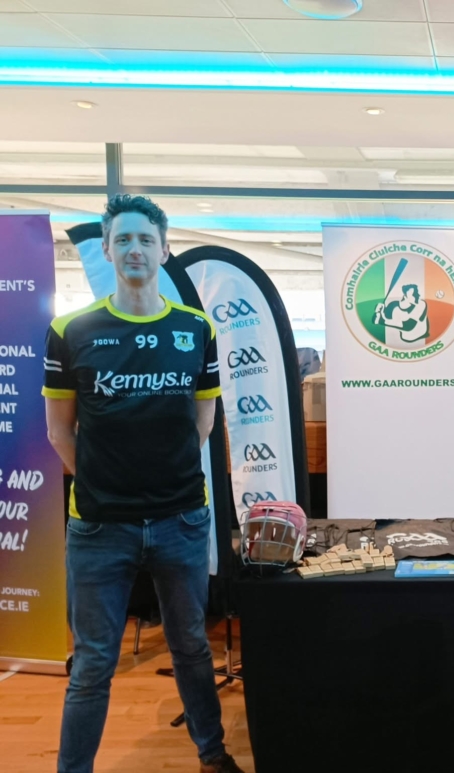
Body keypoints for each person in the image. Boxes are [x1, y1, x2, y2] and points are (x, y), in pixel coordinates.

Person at [43, 195, 246, 773]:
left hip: (182, 519)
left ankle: (213, 755)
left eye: (146, 239)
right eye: (123, 239)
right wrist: (107, 479)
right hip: (100, 526)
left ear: (161, 249)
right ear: (107, 249)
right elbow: (60, 431)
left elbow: (203, 420)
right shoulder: (70, 330)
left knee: (191, 647)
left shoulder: (195, 328)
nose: (135, 249)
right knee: (92, 663)